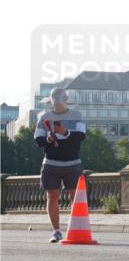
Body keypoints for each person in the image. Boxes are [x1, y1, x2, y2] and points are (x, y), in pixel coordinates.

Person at [33, 87, 87, 242]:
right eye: (55, 100)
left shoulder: (77, 115)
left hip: (73, 162)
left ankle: (74, 228)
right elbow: (38, 139)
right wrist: (49, 139)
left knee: (75, 197)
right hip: (51, 162)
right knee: (52, 196)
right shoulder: (44, 117)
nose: (57, 103)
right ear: (51, 100)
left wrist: (65, 132)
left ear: (66, 99)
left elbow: (81, 136)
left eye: (59, 99)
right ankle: (56, 231)